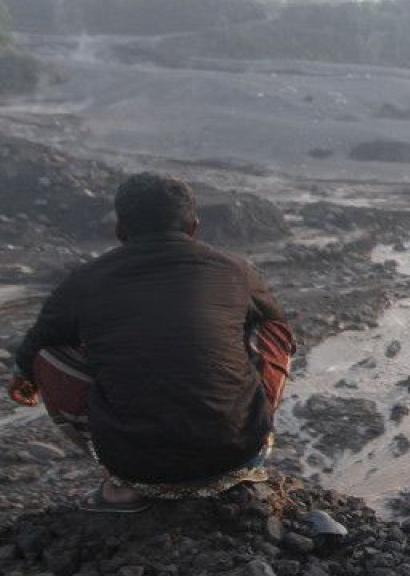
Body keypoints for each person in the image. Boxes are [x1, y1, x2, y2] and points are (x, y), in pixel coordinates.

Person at [6, 173, 295, 512]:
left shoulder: (86, 279)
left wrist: (24, 380)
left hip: (135, 466)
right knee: (272, 330)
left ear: (121, 230)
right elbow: (277, 325)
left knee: (48, 354)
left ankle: (121, 483)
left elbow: (34, 347)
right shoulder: (235, 269)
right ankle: (245, 450)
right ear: (194, 226)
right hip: (239, 451)